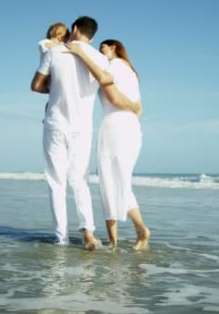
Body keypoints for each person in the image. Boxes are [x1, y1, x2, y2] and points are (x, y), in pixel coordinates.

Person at [65, 39, 151, 251]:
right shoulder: (131, 72)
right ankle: (119, 241)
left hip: (115, 127)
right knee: (118, 182)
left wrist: (81, 53)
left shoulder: (115, 66)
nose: (101, 52)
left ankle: (134, 233)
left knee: (110, 183)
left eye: (103, 47)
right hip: (130, 127)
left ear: (113, 47)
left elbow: (110, 91)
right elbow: (139, 109)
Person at [30, 16, 106, 250]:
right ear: (92, 37)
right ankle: (89, 233)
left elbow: (35, 85)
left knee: (56, 183)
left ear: (74, 29)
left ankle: (60, 238)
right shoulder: (100, 58)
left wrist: (54, 89)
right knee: (80, 182)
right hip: (82, 128)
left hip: (56, 125)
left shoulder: (55, 52)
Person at [38, 23, 70, 115]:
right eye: (66, 38)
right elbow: (45, 45)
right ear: (60, 37)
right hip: (48, 75)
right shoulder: (45, 43)